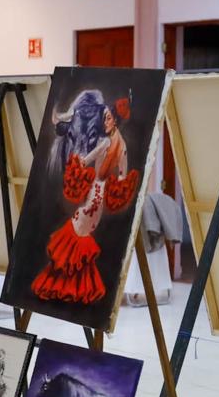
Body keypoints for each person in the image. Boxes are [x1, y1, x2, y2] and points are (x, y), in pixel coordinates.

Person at [32, 94, 140, 304]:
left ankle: (65, 287)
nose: (104, 121)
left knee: (73, 236)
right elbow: (122, 177)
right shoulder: (123, 147)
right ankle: (78, 288)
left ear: (116, 120)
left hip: (94, 196)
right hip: (99, 197)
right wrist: (112, 186)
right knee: (79, 237)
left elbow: (86, 160)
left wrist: (78, 163)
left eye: (108, 118)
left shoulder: (107, 142)